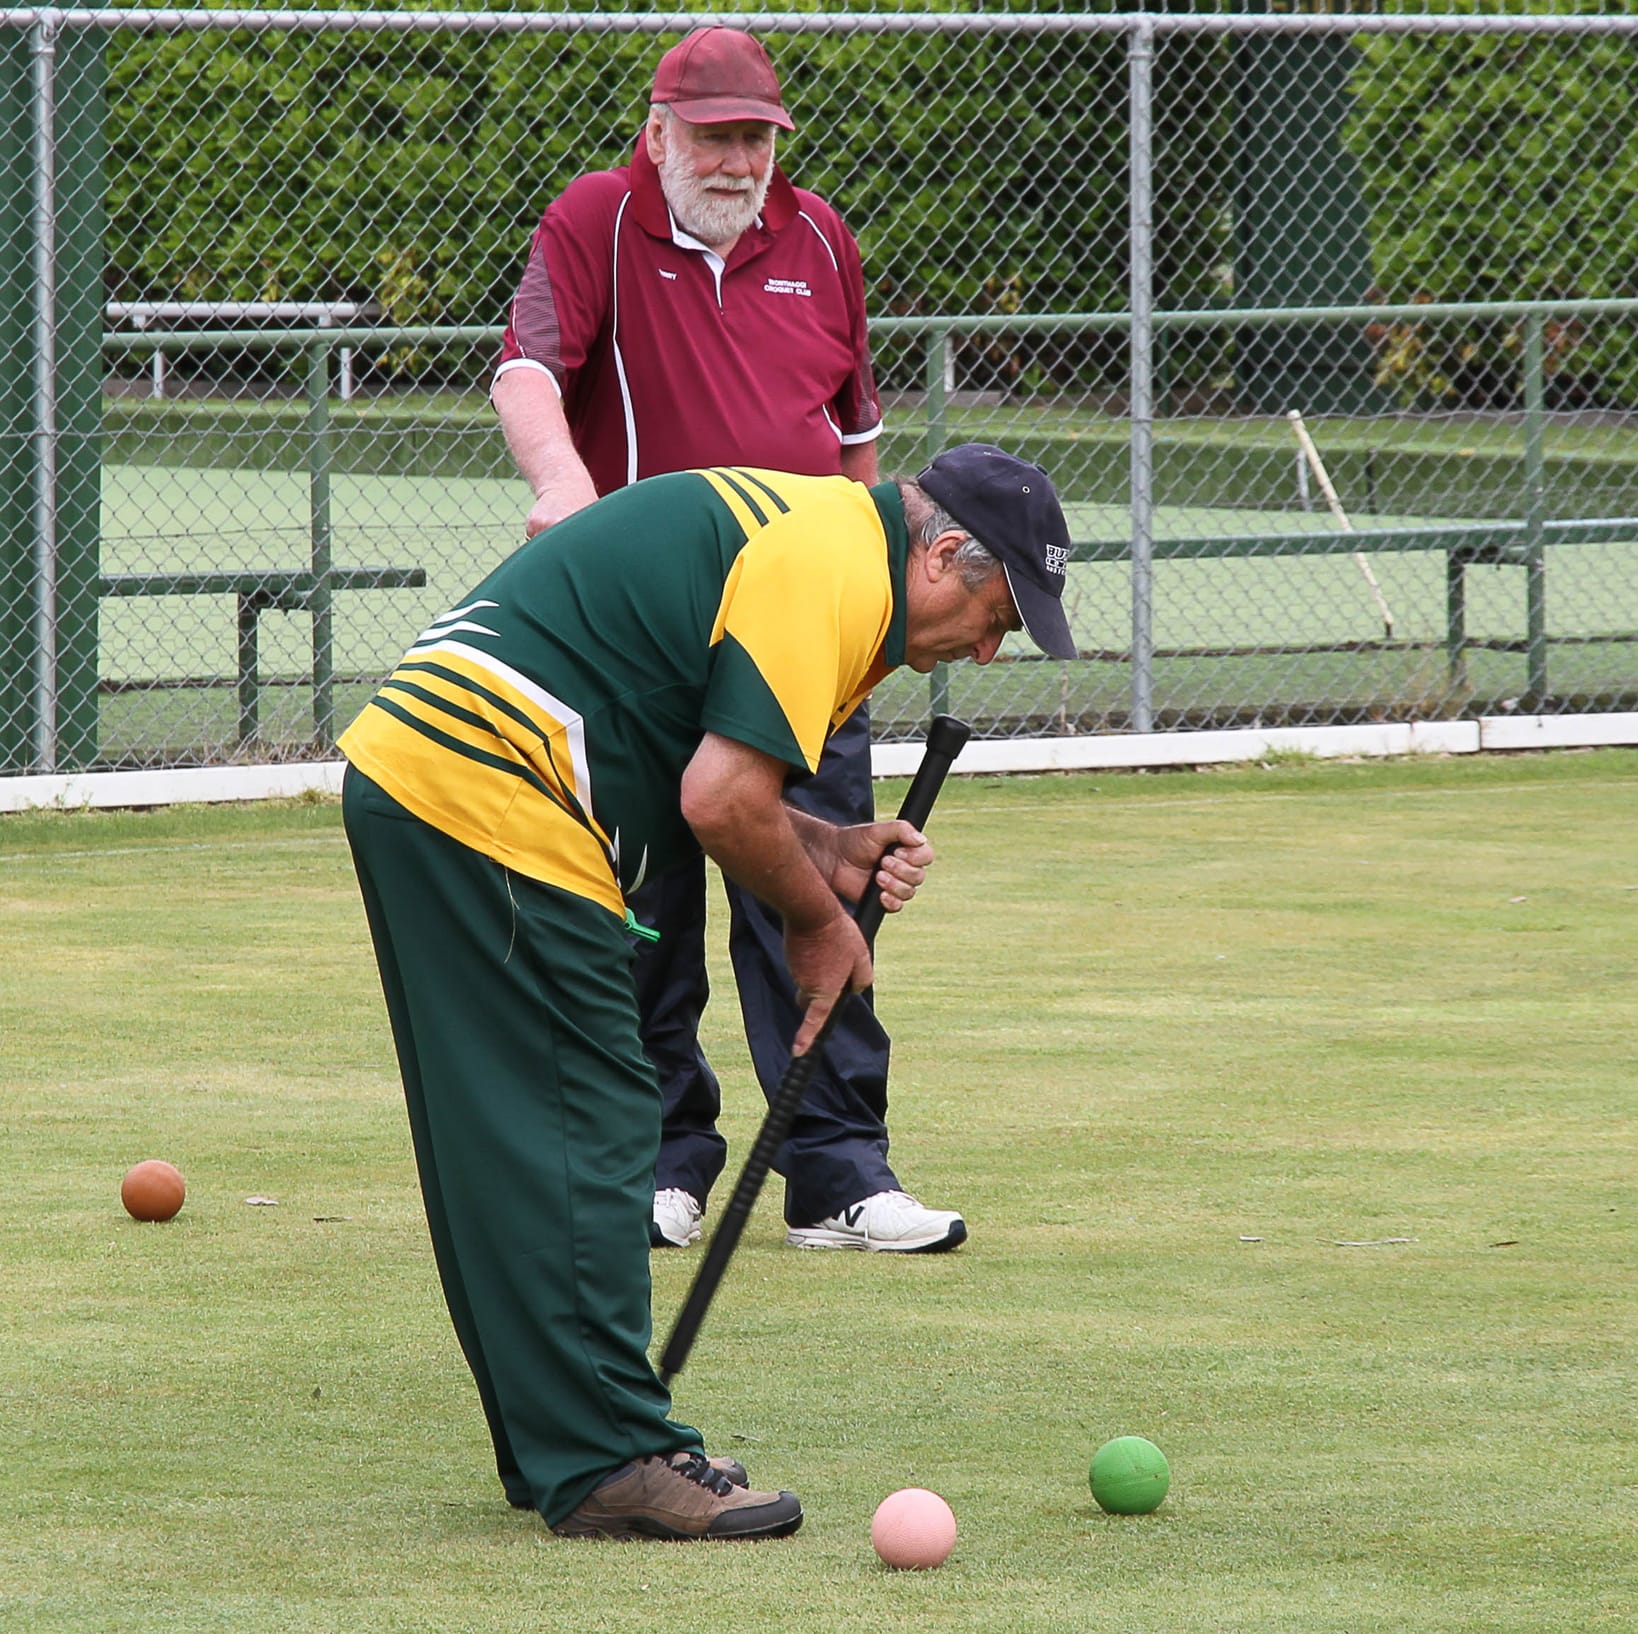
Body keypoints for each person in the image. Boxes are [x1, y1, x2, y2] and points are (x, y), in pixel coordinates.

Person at [338, 445, 1076, 1539]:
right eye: (993, 612)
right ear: (944, 550)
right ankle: (606, 1455)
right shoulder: (831, 564)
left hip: (431, 778)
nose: (980, 646)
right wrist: (820, 927)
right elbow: (724, 798)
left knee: (503, 1142)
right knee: (586, 1119)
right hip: (497, 788)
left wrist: (824, 848)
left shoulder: (819, 539)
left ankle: (559, 1442)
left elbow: (699, 753)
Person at [490, 27, 960, 1258]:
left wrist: (873, 603)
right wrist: (560, 485)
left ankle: (837, 1169)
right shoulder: (592, 220)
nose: (737, 158)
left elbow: (857, 436)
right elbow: (526, 375)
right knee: (642, 910)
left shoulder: (820, 237)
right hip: (647, 636)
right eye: (713, 135)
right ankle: (660, 1158)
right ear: (658, 132)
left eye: (756, 136)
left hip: (805, 625)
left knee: (818, 888)